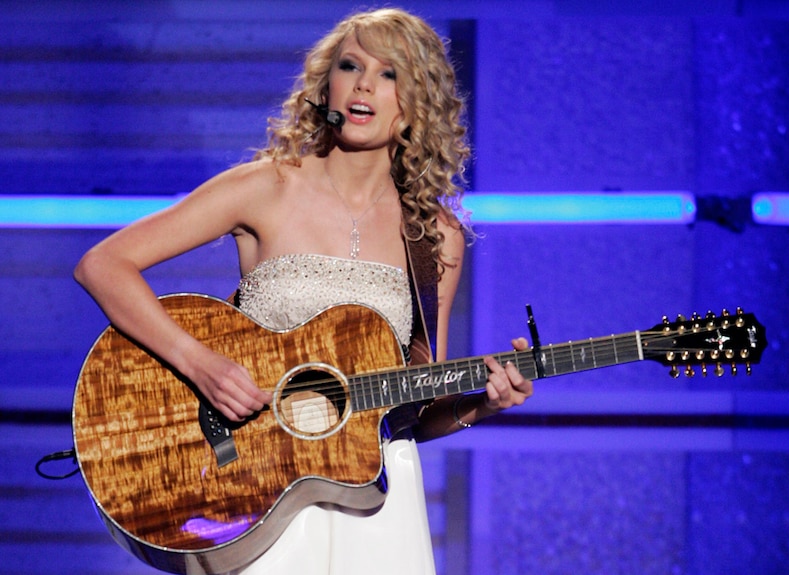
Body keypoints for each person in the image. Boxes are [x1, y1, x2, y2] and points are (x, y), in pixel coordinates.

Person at [74, 7, 533, 575]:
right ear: (327, 85)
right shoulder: (266, 186)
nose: (365, 83)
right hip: (252, 486)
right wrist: (201, 364)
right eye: (350, 65)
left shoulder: (435, 236)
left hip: (375, 507)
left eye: (390, 73)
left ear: (418, 103)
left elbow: (413, 406)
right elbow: (104, 264)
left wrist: (480, 406)